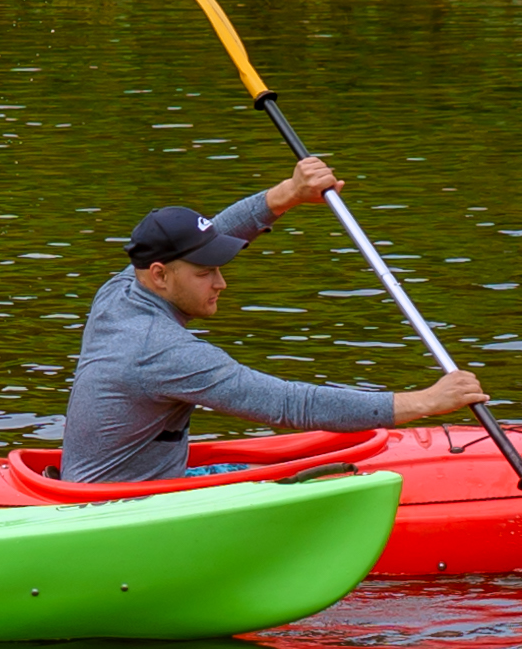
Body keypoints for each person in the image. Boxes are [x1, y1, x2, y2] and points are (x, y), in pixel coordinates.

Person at [61, 155, 488, 482]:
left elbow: (220, 228)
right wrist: (425, 402)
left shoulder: (119, 293)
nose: (221, 283)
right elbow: (289, 404)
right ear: (160, 275)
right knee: (329, 477)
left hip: (112, 483)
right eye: (205, 272)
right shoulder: (162, 350)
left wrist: (287, 193)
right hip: (125, 507)